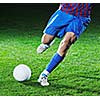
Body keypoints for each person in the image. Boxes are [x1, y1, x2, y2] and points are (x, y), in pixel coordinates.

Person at [37, 3, 93, 86]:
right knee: (45, 40)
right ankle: (47, 43)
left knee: (65, 44)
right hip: (65, 11)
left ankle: (44, 74)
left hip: (81, 17)